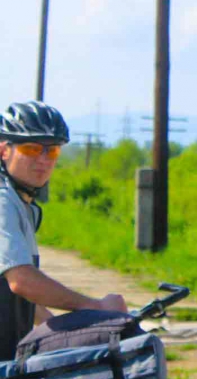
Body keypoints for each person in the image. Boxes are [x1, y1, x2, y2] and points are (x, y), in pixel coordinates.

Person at [0, 100, 128, 364]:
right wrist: (96, 307)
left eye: (52, 151)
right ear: (4, 151)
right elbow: (22, 281)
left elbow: (17, 295)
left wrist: (64, 332)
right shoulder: (3, 202)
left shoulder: (21, 204)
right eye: (31, 148)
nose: (43, 159)